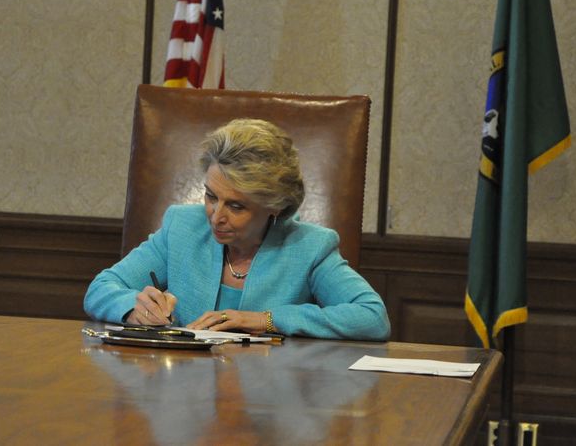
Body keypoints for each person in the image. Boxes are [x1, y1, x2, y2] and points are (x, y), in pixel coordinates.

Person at [83, 118, 391, 341]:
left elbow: (372, 317)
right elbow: (101, 288)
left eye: (236, 206)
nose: (216, 217)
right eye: (211, 197)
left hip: (267, 405)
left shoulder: (309, 248)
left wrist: (267, 320)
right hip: (181, 399)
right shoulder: (182, 226)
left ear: (276, 206)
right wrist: (133, 309)